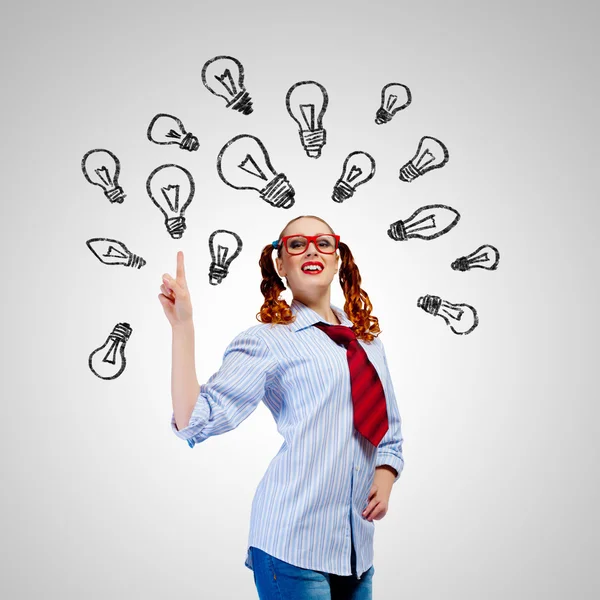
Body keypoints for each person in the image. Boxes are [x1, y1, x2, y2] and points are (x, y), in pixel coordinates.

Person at [158, 215, 404, 600]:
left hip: (357, 549)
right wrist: (183, 327)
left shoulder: (368, 341)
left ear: (337, 259)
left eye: (323, 243)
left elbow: (389, 428)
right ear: (280, 265)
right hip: (292, 544)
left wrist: (386, 474)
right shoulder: (268, 341)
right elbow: (195, 419)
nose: (311, 249)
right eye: (296, 244)